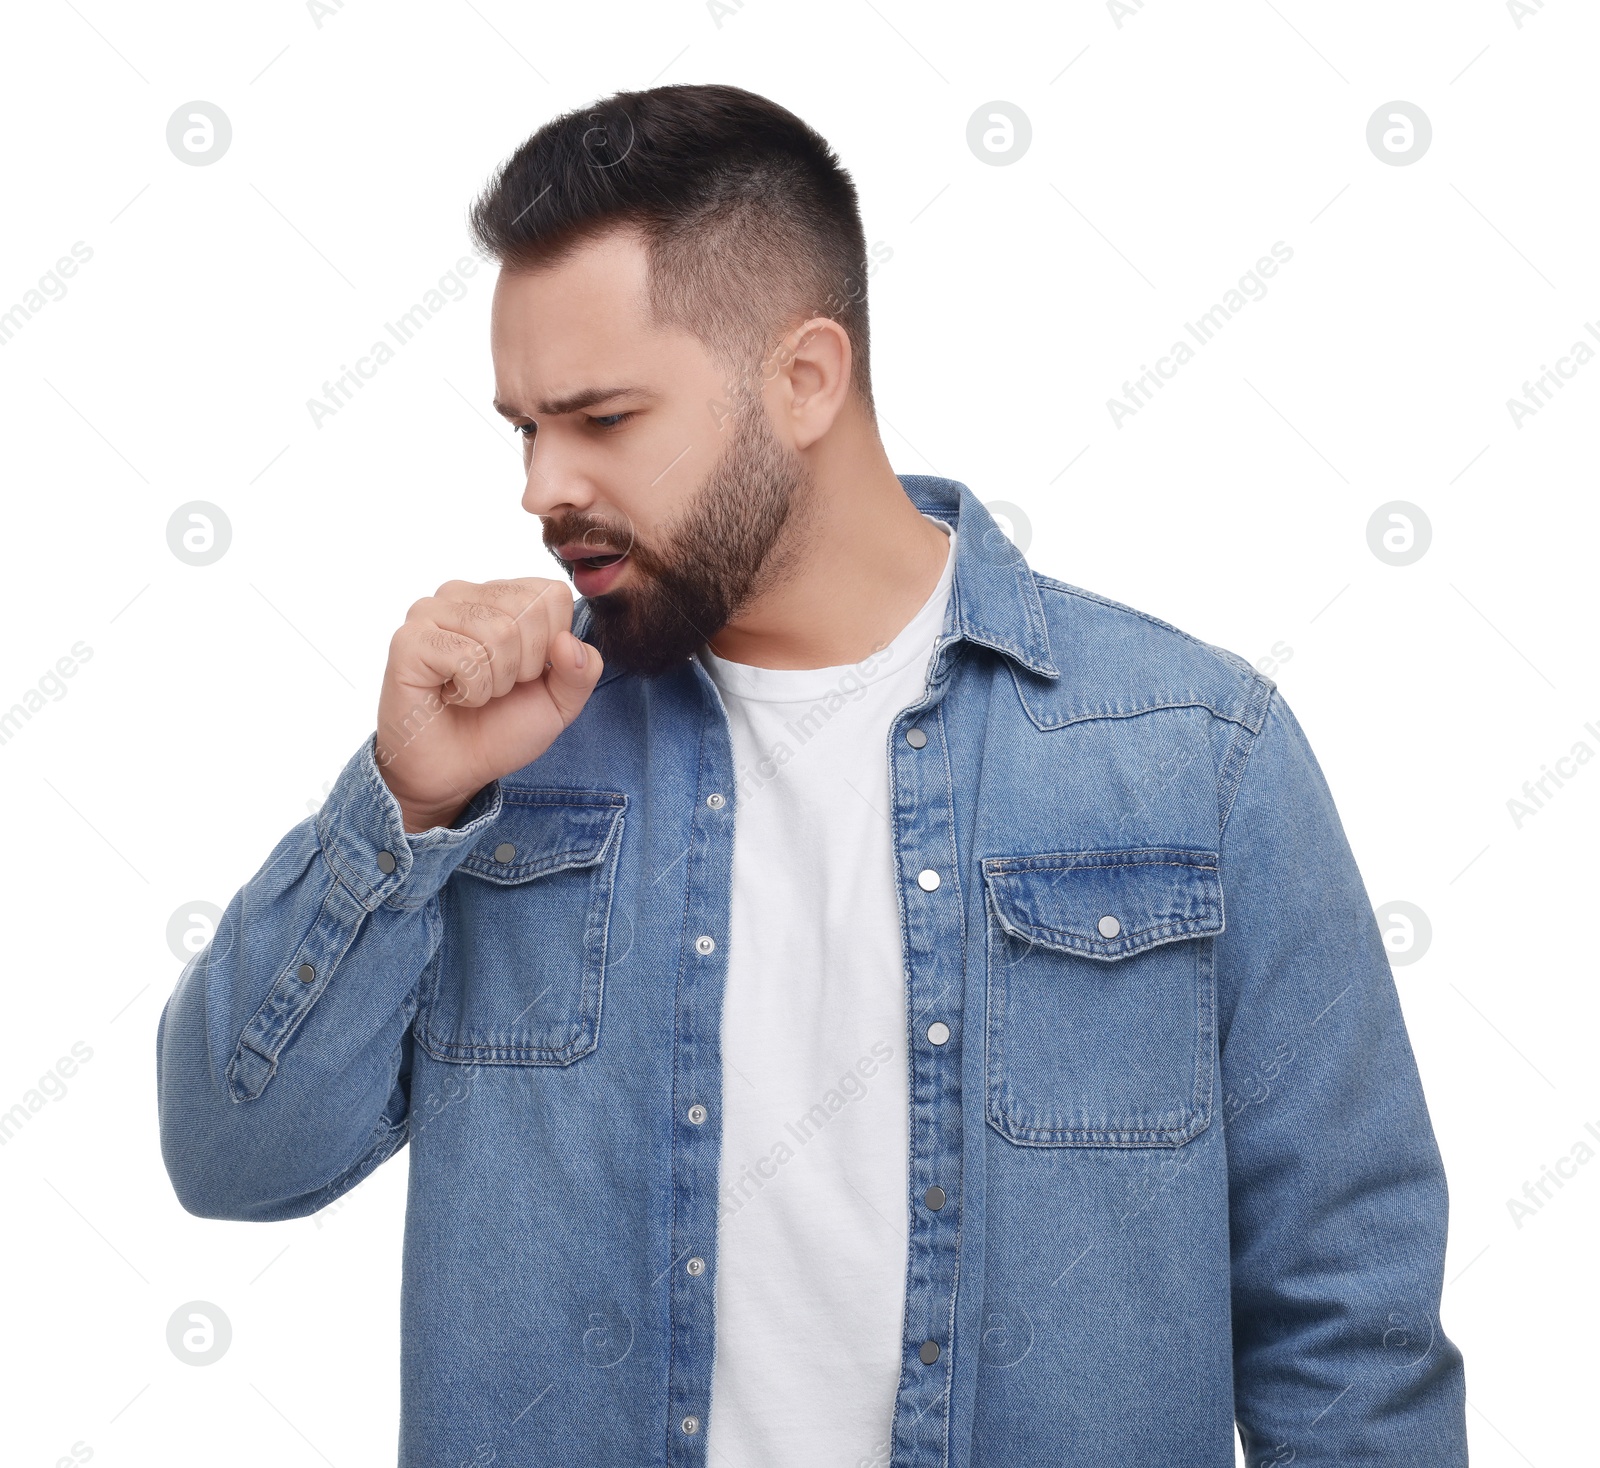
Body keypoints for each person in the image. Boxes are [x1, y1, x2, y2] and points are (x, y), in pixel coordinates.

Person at [155, 82, 1468, 1466]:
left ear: (804, 379)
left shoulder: (1192, 756)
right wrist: (405, 802)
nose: (541, 486)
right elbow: (232, 1158)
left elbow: (1348, 1328)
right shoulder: (506, 755)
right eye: (524, 428)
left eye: (601, 418)